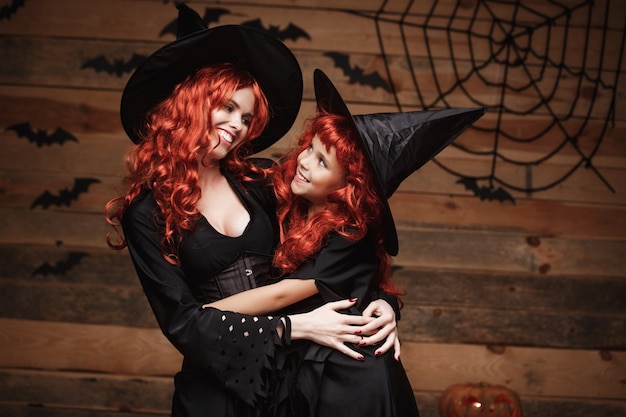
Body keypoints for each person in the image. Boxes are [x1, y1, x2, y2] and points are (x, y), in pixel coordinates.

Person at [105, 5, 400, 417]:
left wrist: (385, 304)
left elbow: (338, 233)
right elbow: (183, 325)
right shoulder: (146, 211)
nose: (238, 125)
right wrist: (292, 327)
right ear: (190, 104)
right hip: (217, 388)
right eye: (226, 108)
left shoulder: (259, 180)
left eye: (246, 117)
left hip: (291, 381)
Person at [205, 69, 487, 416]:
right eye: (310, 148)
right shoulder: (289, 193)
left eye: (322, 162)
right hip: (306, 372)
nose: (304, 162)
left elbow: (284, 293)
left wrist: (205, 316)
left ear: (345, 189)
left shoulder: (351, 234)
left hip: (353, 382)